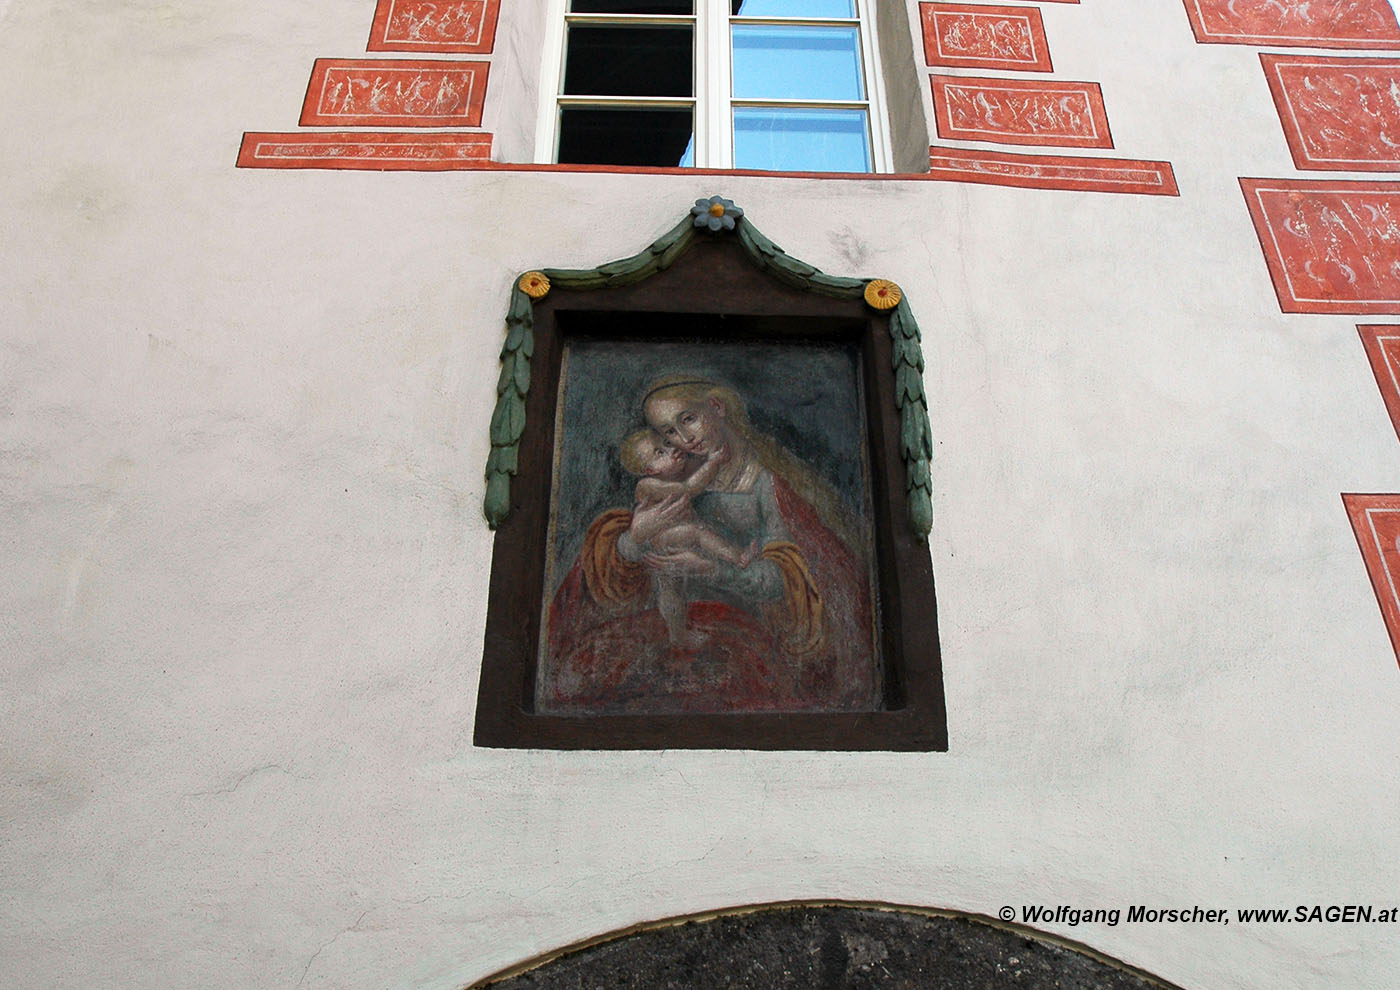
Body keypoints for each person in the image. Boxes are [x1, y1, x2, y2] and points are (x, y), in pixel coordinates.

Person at [542, 375, 878, 715]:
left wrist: (712, 569)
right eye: (669, 432)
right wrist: (635, 537)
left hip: (741, 630)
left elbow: (785, 578)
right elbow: (632, 552)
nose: (683, 438)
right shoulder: (674, 471)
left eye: (688, 418)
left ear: (716, 407)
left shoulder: (765, 483)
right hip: (673, 621)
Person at [618, 428, 759, 647]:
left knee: (671, 589)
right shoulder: (647, 485)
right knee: (698, 532)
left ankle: (677, 637)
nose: (671, 450)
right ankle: (738, 556)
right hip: (662, 538)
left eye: (667, 443)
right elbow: (689, 488)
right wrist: (713, 462)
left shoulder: (670, 476)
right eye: (659, 453)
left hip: (666, 540)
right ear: (649, 469)